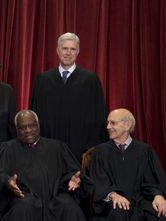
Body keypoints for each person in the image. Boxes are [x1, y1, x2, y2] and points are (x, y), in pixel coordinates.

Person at [29, 32, 107, 162]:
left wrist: (91, 149)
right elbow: (35, 116)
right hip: (48, 149)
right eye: (65, 48)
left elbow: (98, 117)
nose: (68, 53)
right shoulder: (43, 80)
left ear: (78, 52)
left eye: (73, 49)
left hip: (80, 149)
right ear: (57, 51)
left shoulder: (90, 80)